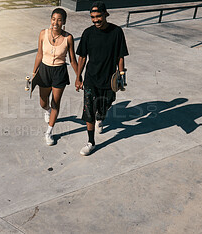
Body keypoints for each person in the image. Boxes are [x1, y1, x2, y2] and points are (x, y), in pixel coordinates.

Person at [75, 1, 129, 156]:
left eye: (98, 16)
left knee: (107, 103)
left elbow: (120, 56)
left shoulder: (117, 32)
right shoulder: (88, 33)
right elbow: (82, 58)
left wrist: (121, 76)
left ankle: (101, 116)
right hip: (91, 78)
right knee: (89, 110)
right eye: (92, 17)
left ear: (106, 14)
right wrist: (78, 77)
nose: (95, 20)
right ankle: (90, 142)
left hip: (109, 79)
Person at [32, 8, 78, 146]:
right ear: (50, 19)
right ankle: (48, 111)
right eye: (53, 19)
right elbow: (39, 54)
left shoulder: (68, 38)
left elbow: (73, 59)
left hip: (60, 72)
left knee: (55, 103)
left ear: (64, 21)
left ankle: (49, 132)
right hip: (44, 70)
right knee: (43, 103)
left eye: (59, 20)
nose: (55, 22)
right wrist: (34, 72)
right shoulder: (43, 34)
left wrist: (78, 77)